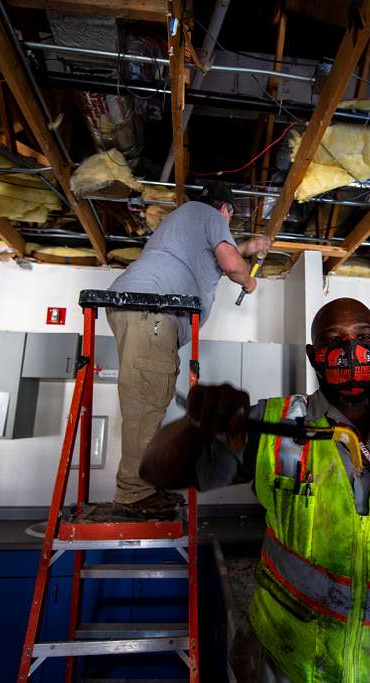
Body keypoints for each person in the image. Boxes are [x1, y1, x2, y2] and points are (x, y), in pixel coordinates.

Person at [140, 298, 370, 682]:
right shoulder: (275, 423)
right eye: (334, 339)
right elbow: (156, 470)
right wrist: (196, 425)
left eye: (364, 338)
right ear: (313, 354)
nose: (351, 350)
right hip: (287, 664)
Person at [107, 180, 270, 519]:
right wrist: (249, 281)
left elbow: (217, 252)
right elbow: (230, 262)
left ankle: (140, 489)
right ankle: (133, 493)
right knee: (147, 402)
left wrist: (252, 245)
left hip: (146, 310)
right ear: (225, 210)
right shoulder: (209, 215)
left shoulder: (188, 222)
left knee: (148, 399)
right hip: (152, 310)